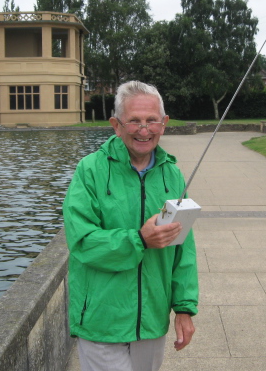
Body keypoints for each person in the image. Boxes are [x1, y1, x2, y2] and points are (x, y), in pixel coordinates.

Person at [62, 81, 198, 371]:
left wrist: (184, 308)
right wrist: (139, 239)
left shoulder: (172, 175)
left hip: (152, 319)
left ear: (164, 123)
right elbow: (82, 242)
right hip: (102, 319)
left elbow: (183, 248)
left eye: (152, 121)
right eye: (134, 121)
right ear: (116, 125)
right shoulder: (89, 170)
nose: (144, 129)